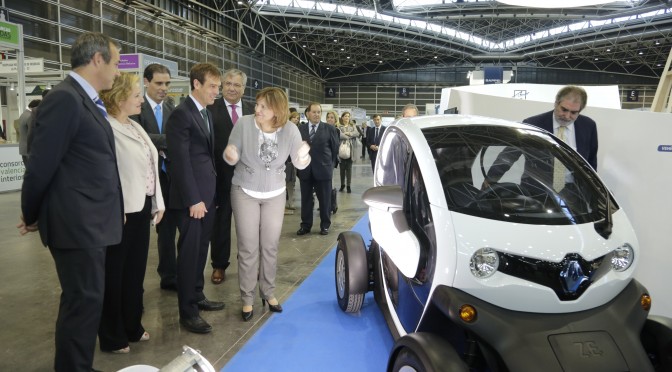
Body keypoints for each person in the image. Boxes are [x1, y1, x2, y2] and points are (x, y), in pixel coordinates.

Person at [18, 32, 122, 372]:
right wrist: (31, 213)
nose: (118, 72)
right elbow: (40, 165)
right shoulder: (64, 99)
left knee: (87, 300)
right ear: (97, 60)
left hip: (90, 221)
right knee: (82, 301)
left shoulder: (85, 100)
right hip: (77, 222)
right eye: (116, 63)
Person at [224, 87, 310, 321]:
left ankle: (268, 292)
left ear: (277, 110)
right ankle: (247, 298)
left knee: (270, 246)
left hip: (275, 193)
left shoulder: (290, 129)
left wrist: (303, 155)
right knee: (248, 247)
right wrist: (231, 154)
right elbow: (231, 152)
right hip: (244, 191)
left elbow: (300, 163)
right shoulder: (243, 124)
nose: (257, 109)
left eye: (264, 106)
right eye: (257, 104)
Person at [98, 72, 165, 354]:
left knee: (135, 274)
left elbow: (151, 165)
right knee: (114, 275)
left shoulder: (135, 126)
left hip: (142, 208)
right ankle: (113, 336)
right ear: (119, 98)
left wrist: (158, 202)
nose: (141, 99)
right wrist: (114, 208)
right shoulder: (105, 128)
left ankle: (132, 326)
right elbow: (105, 175)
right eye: (137, 95)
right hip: (120, 212)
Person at [165, 63, 224, 334]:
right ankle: (187, 312)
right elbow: (179, 162)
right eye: (212, 86)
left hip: (207, 197)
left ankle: (197, 295)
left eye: (218, 87)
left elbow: (205, 158)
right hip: (192, 201)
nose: (217, 92)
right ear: (196, 84)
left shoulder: (206, 114)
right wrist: (193, 199)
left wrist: (210, 196)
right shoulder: (181, 114)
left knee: (201, 251)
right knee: (188, 255)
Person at [130, 63, 178, 291]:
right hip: (144, 180)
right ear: (146, 81)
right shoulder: (136, 108)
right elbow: (140, 138)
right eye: (159, 83)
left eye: (167, 83)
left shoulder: (171, 107)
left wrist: (158, 141)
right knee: (139, 235)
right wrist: (166, 140)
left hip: (170, 177)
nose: (164, 88)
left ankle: (169, 276)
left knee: (167, 230)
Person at [207, 68, 254, 285]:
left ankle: (247, 263)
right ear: (221, 86)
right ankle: (219, 265)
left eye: (237, 85)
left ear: (243, 88)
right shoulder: (210, 109)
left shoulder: (255, 111)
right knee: (221, 223)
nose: (232, 88)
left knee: (249, 226)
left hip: (250, 179)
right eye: (228, 84)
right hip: (220, 179)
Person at [523, 85, 598, 170]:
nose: (567, 116)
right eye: (564, 110)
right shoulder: (533, 124)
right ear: (556, 103)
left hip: (573, 183)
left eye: (573, 113)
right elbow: (510, 155)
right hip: (536, 183)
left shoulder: (589, 126)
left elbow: (591, 163)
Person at [296, 102, 339, 236]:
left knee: (325, 199)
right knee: (306, 199)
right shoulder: (300, 129)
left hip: (323, 170)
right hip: (305, 170)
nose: (316, 114)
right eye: (314, 112)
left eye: (319, 112)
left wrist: (329, 166)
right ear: (307, 114)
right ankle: (306, 225)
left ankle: (325, 225)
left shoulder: (329, 129)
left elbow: (334, 149)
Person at [337, 111, 360, 193]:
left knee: (349, 169)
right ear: (342, 117)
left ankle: (348, 185)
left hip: (350, 150)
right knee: (342, 170)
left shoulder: (352, 126)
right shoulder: (339, 126)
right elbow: (338, 135)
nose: (347, 118)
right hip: (341, 150)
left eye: (348, 116)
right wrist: (347, 136)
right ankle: (342, 184)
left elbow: (357, 133)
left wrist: (348, 133)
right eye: (345, 116)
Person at [286, 111, 301, 212]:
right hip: (286, 160)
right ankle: (284, 204)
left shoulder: (299, 130)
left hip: (295, 160)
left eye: (298, 118)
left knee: (292, 182)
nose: (296, 119)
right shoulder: (285, 129)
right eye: (294, 118)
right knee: (285, 182)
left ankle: (291, 202)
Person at [18, 99, 40, 165]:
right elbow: (31, 133)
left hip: (23, 149)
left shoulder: (23, 114)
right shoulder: (30, 116)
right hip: (29, 150)